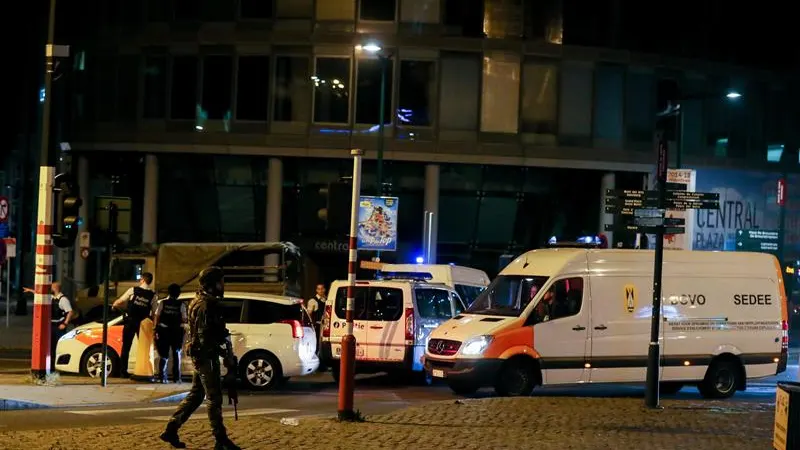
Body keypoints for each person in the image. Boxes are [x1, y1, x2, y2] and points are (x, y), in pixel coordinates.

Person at [160, 267, 240, 450]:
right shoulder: (209, 304)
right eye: (221, 281)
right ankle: (221, 440)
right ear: (212, 284)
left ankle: (171, 429)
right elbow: (207, 335)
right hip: (206, 356)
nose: (223, 285)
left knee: (196, 395)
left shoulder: (197, 301)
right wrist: (224, 354)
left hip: (200, 354)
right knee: (214, 398)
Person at [112, 272, 155, 379]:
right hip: (143, 324)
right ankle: (143, 370)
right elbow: (154, 313)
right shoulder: (153, 295)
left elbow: (119, 301)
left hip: (130, 322)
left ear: (143, 280)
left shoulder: (133, 290)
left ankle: (123, 372)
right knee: (144, 348)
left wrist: (114, 305)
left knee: (126, 347)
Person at [154, 283, 187, 384]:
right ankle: (177, 378)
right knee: (176, 353)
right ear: (178, 294)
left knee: (163, 354)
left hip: (164, 331)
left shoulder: (162, 303)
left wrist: (155, 329)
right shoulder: (181, 304)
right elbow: (184, 318)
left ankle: (162, 377)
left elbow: (157, 316)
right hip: (176, 332)